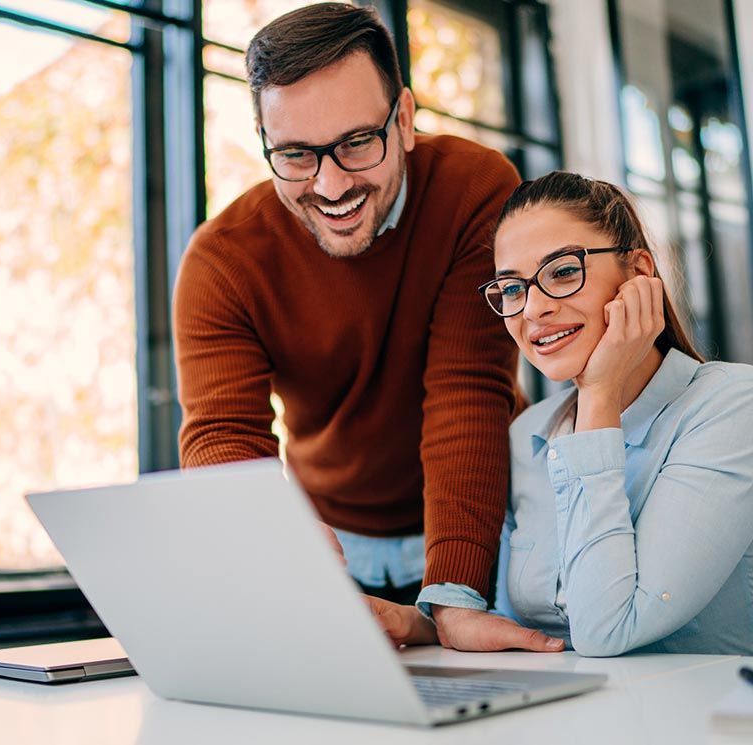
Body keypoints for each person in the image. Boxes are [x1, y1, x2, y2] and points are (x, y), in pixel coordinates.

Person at [172, 3, 562, 652]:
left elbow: (466, 391)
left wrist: (456, 593)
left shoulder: (475, 189)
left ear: (404, 120)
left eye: (357, 142)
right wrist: (275, 539)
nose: (330, 184)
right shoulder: (223, 260)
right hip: (332, 544)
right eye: (295, 154)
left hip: (483, 521)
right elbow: (221, 434)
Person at [368, 171, 753, 656]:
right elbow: (536, 626)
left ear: (638, 273)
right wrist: (419, 626)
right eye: (511, 288)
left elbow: (607, 629)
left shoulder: (731, 407)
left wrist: (600, 394)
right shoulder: (528, 434)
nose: (533, 310)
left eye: (563, 272)